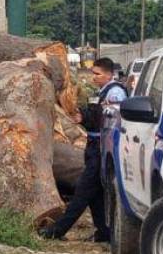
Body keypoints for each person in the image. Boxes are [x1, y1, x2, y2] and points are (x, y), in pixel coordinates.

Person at [42, 57, 126, 242]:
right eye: (93, 73)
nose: (93, 77)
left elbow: (110, 122)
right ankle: (104, 232)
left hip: (102, 149)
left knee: (82, 191)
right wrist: (84, 117)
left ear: (109, 74)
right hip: (94, 146)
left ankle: (56, 231)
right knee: (94, 193)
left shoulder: (115, 94)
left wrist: (87, 118)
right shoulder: (102, 92)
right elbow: (96, 117)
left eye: (98, 74)